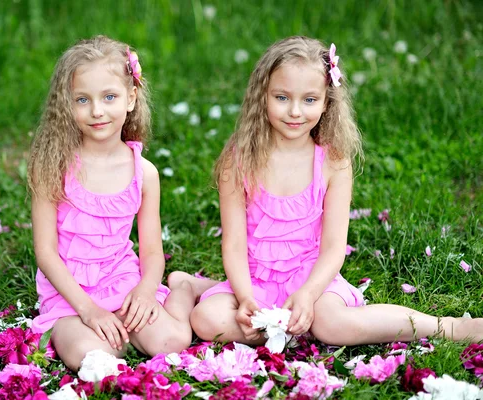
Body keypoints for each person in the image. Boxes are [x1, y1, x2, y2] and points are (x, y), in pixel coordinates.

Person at [191, 36, 482, 347]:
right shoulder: (239, 160)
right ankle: (276, 323)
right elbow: (234, 245)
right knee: (207, 320)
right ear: (262, 95)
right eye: (282, 97)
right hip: (253, 278)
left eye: (309, 100)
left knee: (333, 325)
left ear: (327, 101)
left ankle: (445, 326)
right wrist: (246, 297)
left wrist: (308, 293)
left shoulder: (333, 163)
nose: (295, 111)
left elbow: (332, 249)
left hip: (311, 276)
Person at [27, 36, 214, 370]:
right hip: (71, 294)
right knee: (94, 357)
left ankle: (182, 286)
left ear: (130, 98)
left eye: (109, 97)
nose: (97, 110)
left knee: (171, 341)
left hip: (122, 279)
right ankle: (92, 326)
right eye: (82, 99)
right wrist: (88, 310)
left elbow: (152, 251)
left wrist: (144, 290)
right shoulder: (52, 167)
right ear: (66, 105)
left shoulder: (143, 173)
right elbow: (46, 253)